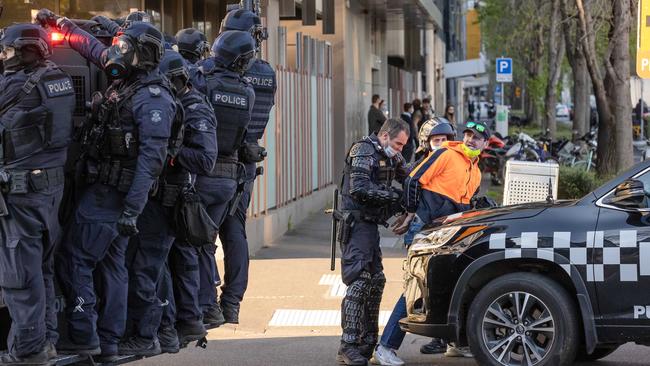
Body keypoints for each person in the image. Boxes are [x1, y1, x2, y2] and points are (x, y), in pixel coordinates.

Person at [36, 9, 176, 361]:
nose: (114, 53)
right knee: (113, 265)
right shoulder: (129, 79)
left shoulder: (152, 98)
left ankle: (84, 335)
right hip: (110, 193)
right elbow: (91, 50)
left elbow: (151, 160)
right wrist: (62, 26)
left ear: (141, 54)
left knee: (74, 260)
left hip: (114, 196)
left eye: (123, 47)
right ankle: (109, 343)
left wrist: (132, 208)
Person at [119, 50, 217, 356]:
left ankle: (156, 332)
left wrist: (170, 152)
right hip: (158, 198)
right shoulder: (173, 101)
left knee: (151, 268)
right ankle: (168, 329)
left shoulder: (194, 107)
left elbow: (205, 159)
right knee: (159, 269)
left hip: (172, 199)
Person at [0, 23, 75, 366]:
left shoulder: (17, 85)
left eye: (9, 51)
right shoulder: (57, 79)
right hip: (49, 189)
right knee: (41, 269)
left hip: (21, 192)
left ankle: (29, 350)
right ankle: (46, 342)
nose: (5, 57)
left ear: (27, 50)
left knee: (19, 275)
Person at [371, 122, 456, 366]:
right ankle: (386, 346)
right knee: (415, 290)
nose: (440, 144)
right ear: (426, 143)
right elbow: (410, 184)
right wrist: (409, 212)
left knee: (442, 286)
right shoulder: (429, 162)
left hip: (442, 232)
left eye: (444, 139)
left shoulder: (454, 162)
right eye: (435, 140)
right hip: (424, 233)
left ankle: (453, 343)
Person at [215, 8, 277, 325]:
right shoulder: (266, 73)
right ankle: (233, 301)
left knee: (201, 231)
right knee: (235, 230)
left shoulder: (221, 71)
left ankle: (207, 301)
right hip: (246, 165)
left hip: (218, 161)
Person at [194, 30, 256, 327]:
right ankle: (229, 305)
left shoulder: (203, 82)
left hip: (203, 173)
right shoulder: (248, 91)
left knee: (198, 243)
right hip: (232, 177)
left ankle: (206, 308)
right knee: (233, 237)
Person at [336, 119, 410, 366]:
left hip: (370, 226)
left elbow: (408, 176)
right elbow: (359, 188)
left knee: (377, 280)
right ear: (385, 135)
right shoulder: (363, 150)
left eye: (403, 146)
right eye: (398, 143)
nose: (400, 149)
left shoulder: (391, 155)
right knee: (359, 282)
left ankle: (367, 341)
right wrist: (395, 198)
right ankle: (348, 346)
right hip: (356, 225)